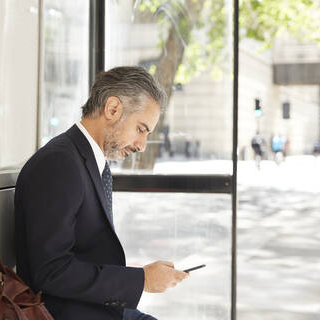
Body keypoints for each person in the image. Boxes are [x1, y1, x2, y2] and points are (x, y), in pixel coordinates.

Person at [14, 66, 189, 320]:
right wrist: (141, 281)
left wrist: (142, 275)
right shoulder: (59, 163)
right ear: (112, 109)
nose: (141, 146)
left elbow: (84, 253)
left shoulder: (88, 161)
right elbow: (52, 271)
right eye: (141, 129)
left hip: (98, 305)